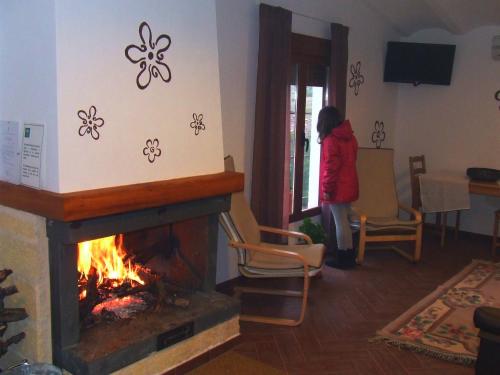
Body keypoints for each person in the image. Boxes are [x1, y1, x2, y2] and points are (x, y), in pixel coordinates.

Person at [317, 106, 359, 269]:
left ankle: (343, 259)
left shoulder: (330, 140)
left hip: (338, 188)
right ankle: (349, 256)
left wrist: (327, 189)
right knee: (345, 222)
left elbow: (331, 168)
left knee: (341, 223)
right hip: (350, 184)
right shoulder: (350, 137)